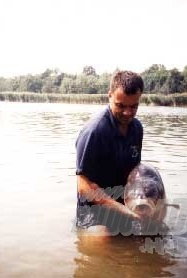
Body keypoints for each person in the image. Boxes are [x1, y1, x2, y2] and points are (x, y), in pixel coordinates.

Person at [75, 70, 144, 235]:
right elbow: (83, 186)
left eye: (133, 106)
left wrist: (146, 202)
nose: (128, 112)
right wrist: (122, 209)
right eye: (121, 106)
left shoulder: (137, 129)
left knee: (155, 232)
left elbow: (135, 173)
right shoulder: (94, 131)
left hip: (124, 206)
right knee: (103, 238)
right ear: (109, 96)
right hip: (93, 211)